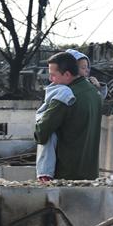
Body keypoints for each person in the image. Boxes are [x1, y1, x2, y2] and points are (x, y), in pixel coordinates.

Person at [35, 52, 102, 180]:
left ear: (67, 74)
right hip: (91, 173)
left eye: (53, 75)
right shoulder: (94, 92)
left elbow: (41, 133)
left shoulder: (64, 96)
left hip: (67, 174)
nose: (50, 79)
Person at [35, 76, 76, 181]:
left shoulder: (62, 93)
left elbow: (42, 131)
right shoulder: (62, 93)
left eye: (53, 74)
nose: (50, 78)